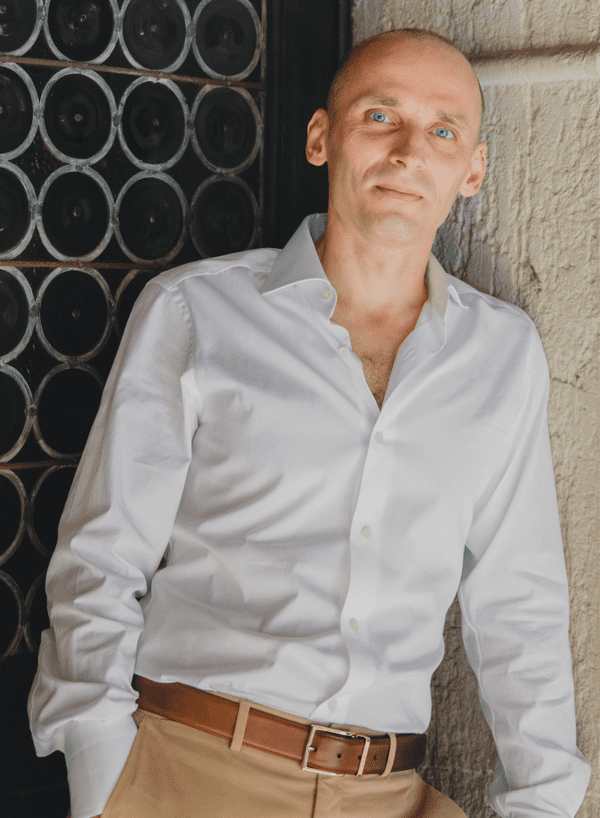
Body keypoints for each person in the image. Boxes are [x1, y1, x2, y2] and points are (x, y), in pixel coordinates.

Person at [28, 29, 590, 818]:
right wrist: (103, 771)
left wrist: (542, 803)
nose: (408, 152)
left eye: (442, 130)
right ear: (322, 139)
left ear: (473, 169)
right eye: (380, 117)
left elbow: (519, 604)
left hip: (390, 793)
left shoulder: (503, 353)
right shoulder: (195, 311)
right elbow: (100, 555)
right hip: (185, 774)